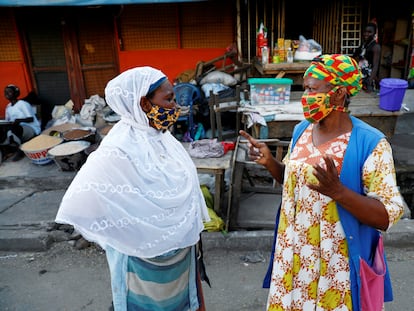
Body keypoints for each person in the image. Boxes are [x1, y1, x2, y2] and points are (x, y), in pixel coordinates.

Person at [240, 54, 404, 310]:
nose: (305, 96)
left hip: (336, 264)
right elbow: (296, 187)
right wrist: (270, 162)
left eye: (311, 89)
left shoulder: (371, 143)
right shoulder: (301, 130)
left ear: (338, 94)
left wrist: (338, 192)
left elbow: (386, 216)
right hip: (294, 255)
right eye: (304, 89)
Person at [55, 66, 210, 310]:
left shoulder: (164, 140)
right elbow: (83, 204)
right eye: (168, 99)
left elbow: (186, 192)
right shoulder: (117, 150)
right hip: (138, 264)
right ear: (144, 104)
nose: (175, 106)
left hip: (181, 255)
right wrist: (129, 227)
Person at [1, 84, 41, 161]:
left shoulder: (22, 104)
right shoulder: (8, 107)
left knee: (14, 128)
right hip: (17, 128)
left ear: (16, 93)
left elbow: (30, 119)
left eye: (9, 92)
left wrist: (18, 121)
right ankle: (6, 150)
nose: (6, 94)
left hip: (30, 128)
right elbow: (7, 121)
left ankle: (21, 150)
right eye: (5, 92)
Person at [352, 22, 381, 92]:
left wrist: (369, 81)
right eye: (365, 32)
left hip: (369, 78)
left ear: (374, 33)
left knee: (368, 97)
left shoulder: (375, 47)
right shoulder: (364, 44)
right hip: (360, 76)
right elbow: (355, 56)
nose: (366, 34)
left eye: (369, 32)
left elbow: (375, 66)